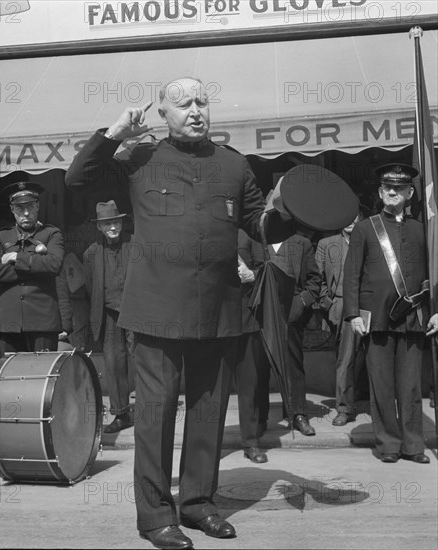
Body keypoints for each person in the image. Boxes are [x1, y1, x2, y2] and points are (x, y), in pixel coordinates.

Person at [65, 77, 294, 550]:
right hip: (156, 311)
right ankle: (154, 516)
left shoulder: (233, 165)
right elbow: (76, 179)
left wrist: (284, 212)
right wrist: (113, 134)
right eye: (183, 103)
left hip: (220, 309)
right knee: (155, 414)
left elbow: (258, 221)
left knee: (209, 412)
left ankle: (197, 504)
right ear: (163, 115)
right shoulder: (137, 159)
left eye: (202, 102)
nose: (195, 110)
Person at [344, 163, 438, 464]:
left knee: (410, 387)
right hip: (377, 318)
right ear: (381, 191)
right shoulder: (364, 228)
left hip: (413, 318)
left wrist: (436, 312)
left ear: (410, 193)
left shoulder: (422, 230)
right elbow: (351, 275)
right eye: (387, 187)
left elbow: (434, 276)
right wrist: (352, 314)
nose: (392, 192)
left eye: (399, 188)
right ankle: (388, 445)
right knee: (382, 386)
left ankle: (413, 446)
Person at [0, 182, 66, 354]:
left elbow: (54, 264)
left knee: (42, 376)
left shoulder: (52, 234)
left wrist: (17, 258)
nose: (26, 213)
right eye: (20, 208)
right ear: (12, 210)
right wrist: (36, 268)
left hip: (42, 321)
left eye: (30, 207)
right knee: (9, 376)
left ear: (38, 206)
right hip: (8, 321)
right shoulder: (0, 237)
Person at [84, 200, 134, 434]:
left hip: (136, 313)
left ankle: (147, 412)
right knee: (114, 365)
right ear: (99, 227)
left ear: (121, 222)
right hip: (109, 315)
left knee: (141, 362)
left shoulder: (135, 246)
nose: (112, 227)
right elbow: (90, 287)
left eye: (115, 221)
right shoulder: (91, 253)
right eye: (107, 224)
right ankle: (121, 414)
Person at [265, 232, 322, 436]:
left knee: (293, 365)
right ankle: (258, 417)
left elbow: (315, 280)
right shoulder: (257, 240)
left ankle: (298, 414)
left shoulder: (302, 243)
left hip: (291, 313)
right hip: (261, 314)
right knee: (258, 365)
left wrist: (302, 302)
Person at [316, 207, 366, 426]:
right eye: (347, 217)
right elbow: (315, 279)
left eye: (356, 218)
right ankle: (344, 408)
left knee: (376, 357)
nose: (351, 222)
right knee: (345, 359)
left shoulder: (368, 240)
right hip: (342, 306)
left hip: (370, 305)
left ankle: (379, 405)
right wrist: (329, 304)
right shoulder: (327, 244)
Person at [234, 229, 270, 463]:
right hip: (212, 323)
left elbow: (267, 269)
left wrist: (252, 275)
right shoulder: (202, 230)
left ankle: (251, 442)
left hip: (245, 319)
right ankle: (208, 445)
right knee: (209, 389)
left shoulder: (248, 235)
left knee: (249, 384)